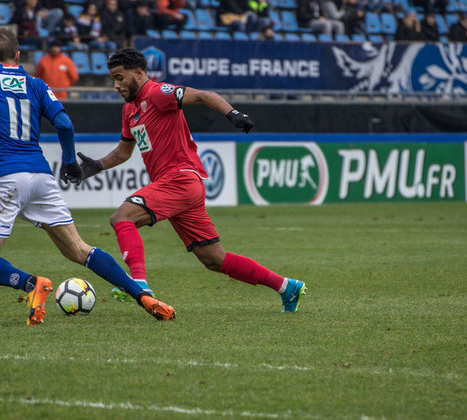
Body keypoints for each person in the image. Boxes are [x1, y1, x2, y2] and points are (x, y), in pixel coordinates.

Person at [0, 29, 175, 325]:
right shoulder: (37, 84)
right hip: (41, 177)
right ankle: (143, 296)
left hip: (5, 178)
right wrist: (69, 163)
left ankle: (31, 284)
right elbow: (64, 124)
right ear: (18, 56)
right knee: (79, 249)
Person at [76, 48, 307, 313]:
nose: (116, 85)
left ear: (138, 73)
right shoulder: (130, 110)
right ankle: (287, 287)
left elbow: (204, 95)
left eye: (120, 77)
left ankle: (138, 282)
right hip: (177, 187)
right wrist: (95, 166)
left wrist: (233, 114)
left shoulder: (157, 93)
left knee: (122, 218)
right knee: (213, 258)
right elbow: (123, 152)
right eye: (112, 79)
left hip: (180, 179)